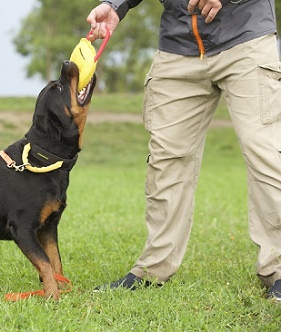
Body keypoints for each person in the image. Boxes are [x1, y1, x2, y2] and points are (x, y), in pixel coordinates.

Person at [86, 0, 281, 302]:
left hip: (245, 38)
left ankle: (278, 269)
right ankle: (153, 270)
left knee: (266, 155)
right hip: (178, 47)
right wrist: (116, 5)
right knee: (166, 160)